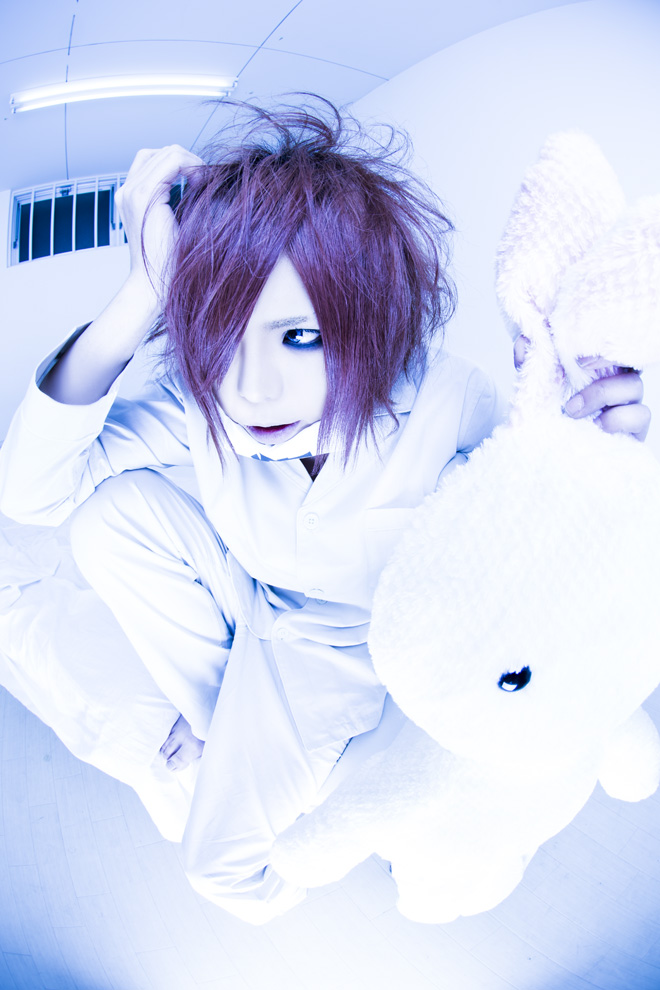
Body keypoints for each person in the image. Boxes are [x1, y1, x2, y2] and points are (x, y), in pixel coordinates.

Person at [0, 101, 649, 923]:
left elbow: (521, 526)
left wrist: (593, 458)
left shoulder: (447, 399)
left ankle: (304, 802)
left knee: (217, 868)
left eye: (300, 337)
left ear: (369, 319)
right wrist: (142, 290)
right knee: (107, 516)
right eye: (221, 336)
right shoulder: (202, 406)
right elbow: (31, 492)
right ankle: (224, 721)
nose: (253, 389)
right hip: (265, 610)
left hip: (359, 653)